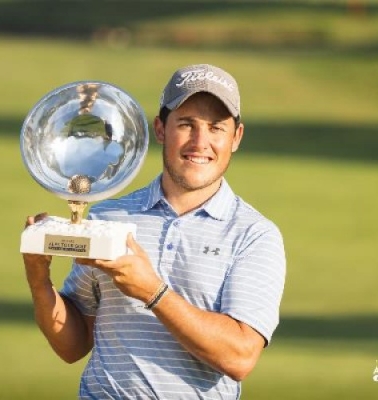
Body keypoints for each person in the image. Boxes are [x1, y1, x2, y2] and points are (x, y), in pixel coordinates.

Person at [23, 64, 286, 399]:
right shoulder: (109, 215)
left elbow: (240, 356)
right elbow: (73, 346)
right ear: (161, 129)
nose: (200, 142)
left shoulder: (254, 235)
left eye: (216, 128)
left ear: (236, 138)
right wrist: (38, 279)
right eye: (187, 124)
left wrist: (153, 292)